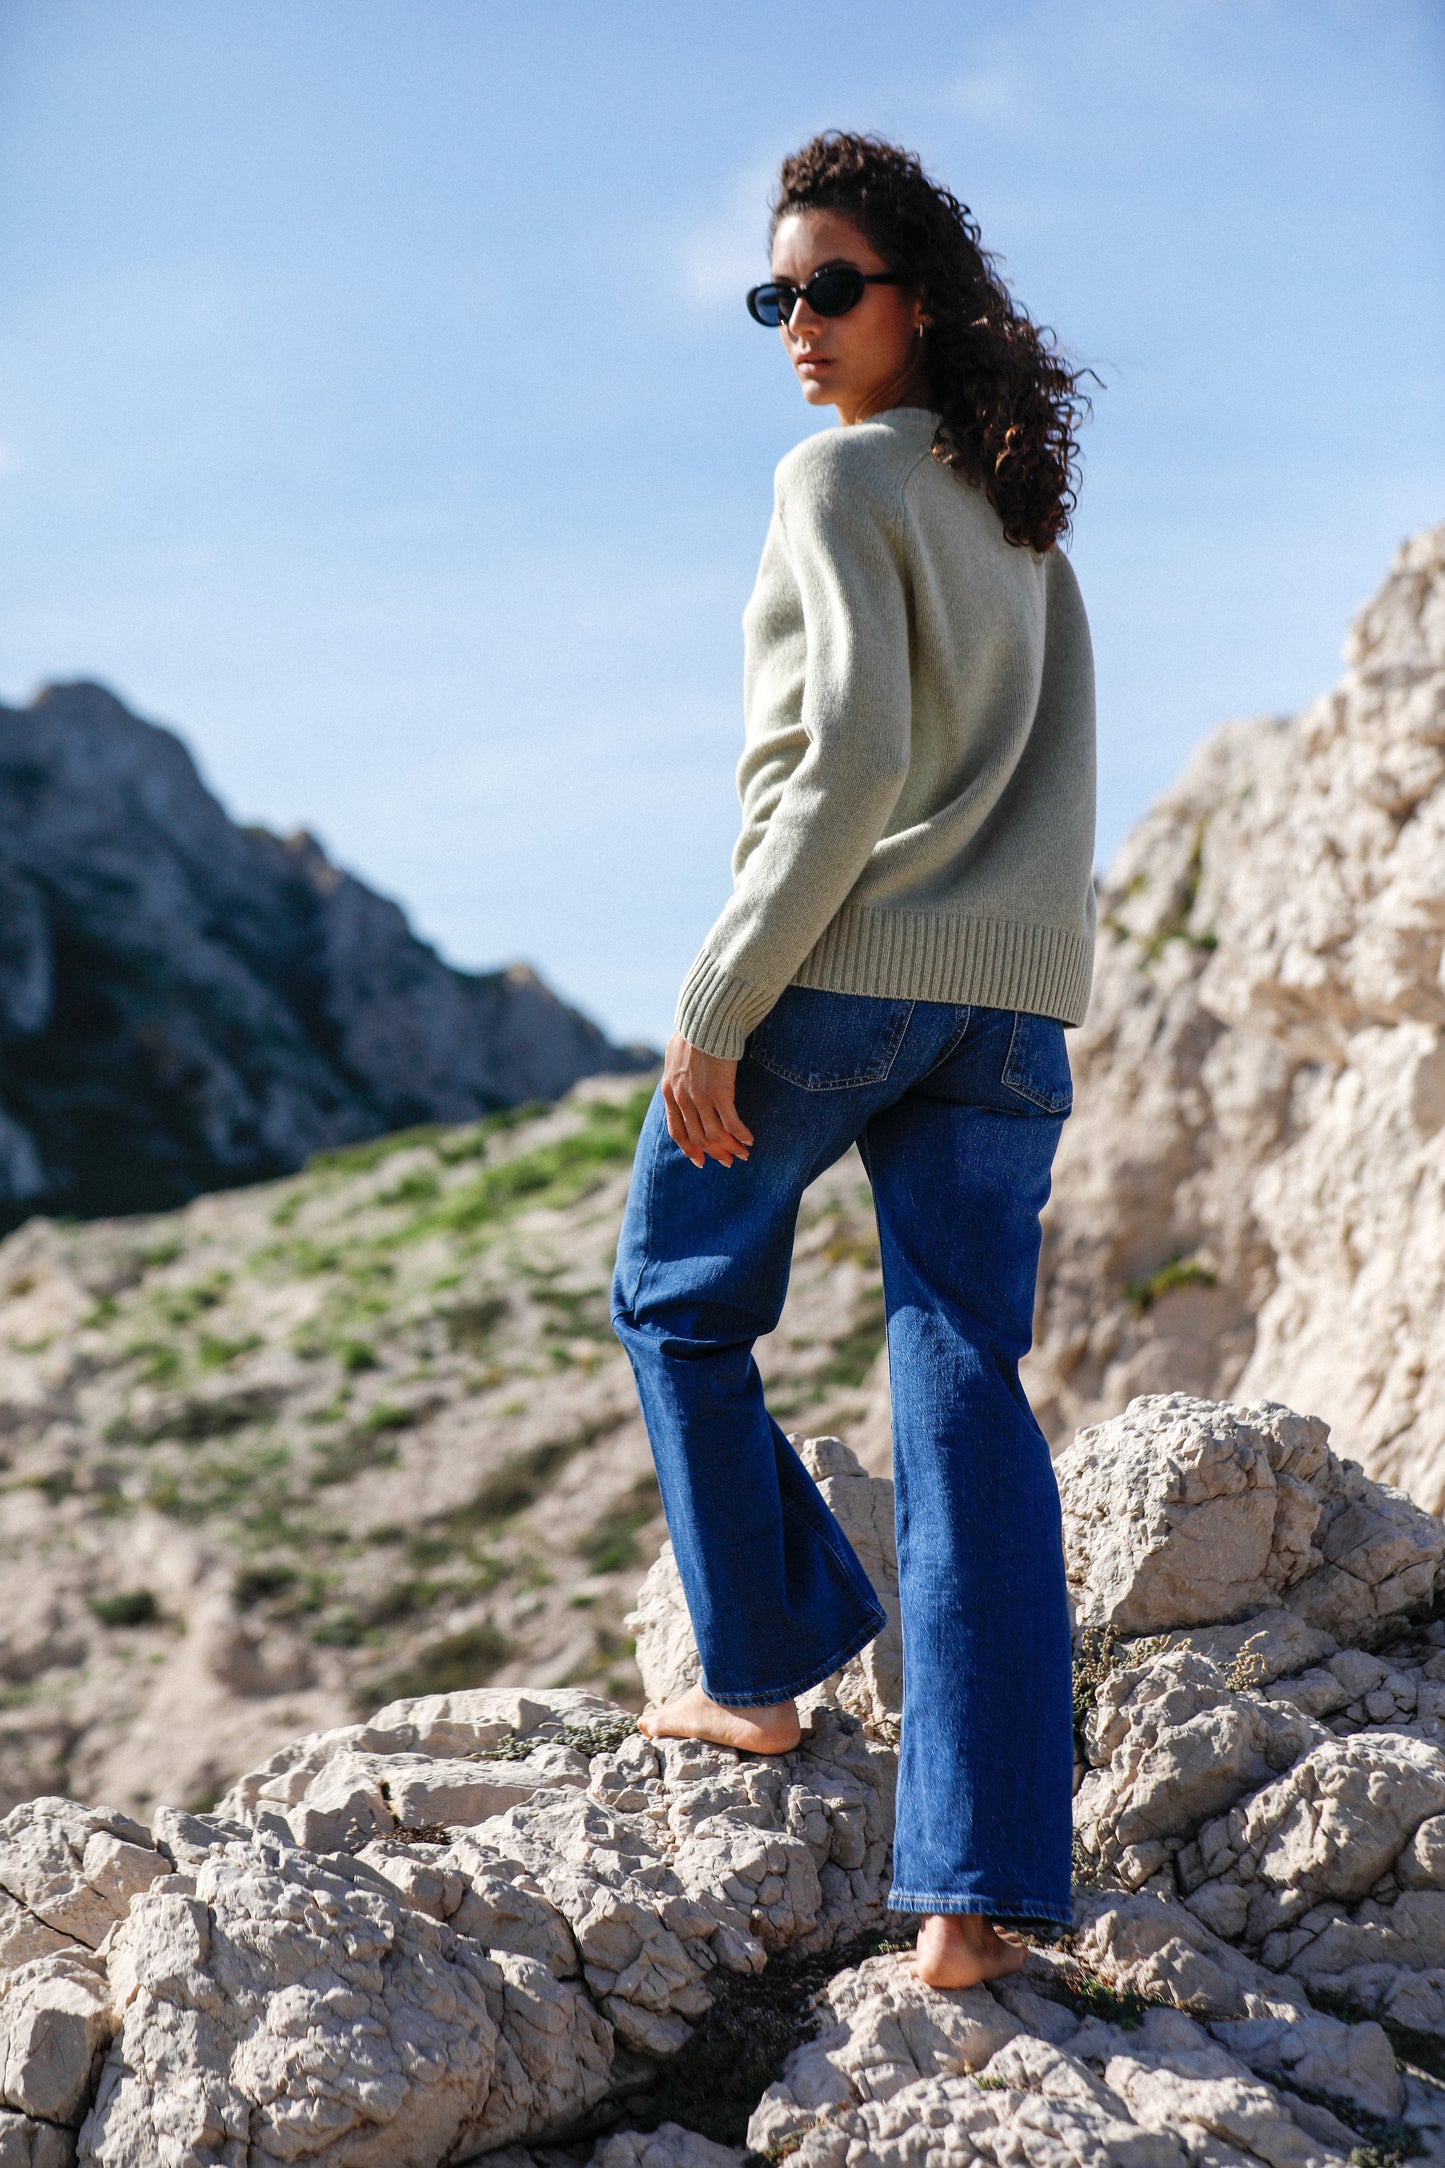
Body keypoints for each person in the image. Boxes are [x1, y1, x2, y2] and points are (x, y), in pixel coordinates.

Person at [610, 131, 1096, 1991]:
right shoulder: (1018, 512)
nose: (797, 329)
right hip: (1011, 1003)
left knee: (674, 1291)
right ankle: (970, 1895)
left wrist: (719, 997)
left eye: (831, 289)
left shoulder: (840, 484)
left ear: (919, 301)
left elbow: (844, 771)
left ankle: (761, 1673)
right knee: (963, 1384)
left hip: (849, 971)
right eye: (776, 297)